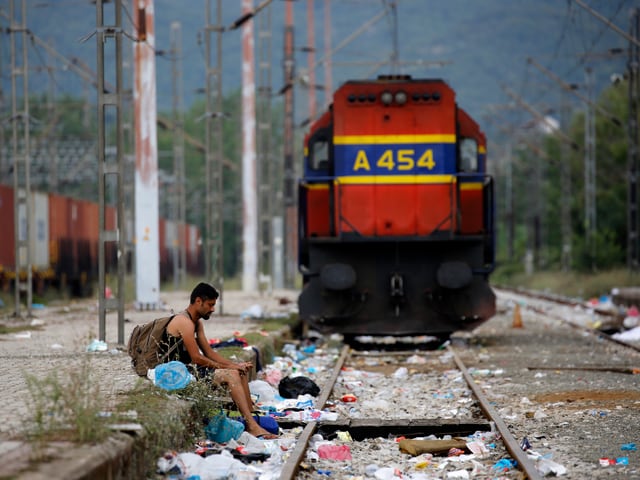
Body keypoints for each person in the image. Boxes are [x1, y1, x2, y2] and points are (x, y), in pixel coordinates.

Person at [164, 282, 277, 439]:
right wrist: (224, 368)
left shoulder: (197, 323)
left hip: (189, 371)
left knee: (239, 372)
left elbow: (209, 352)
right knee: (231, 375)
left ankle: (253, 418)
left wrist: (235, 365)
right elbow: (197, 358)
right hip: (178, 374)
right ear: (198, 301)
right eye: (210, 305)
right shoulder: (184, 322)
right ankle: (252, 426)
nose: (213, 309)